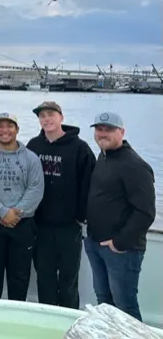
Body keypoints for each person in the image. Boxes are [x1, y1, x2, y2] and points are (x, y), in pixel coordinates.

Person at [84, 112, 156, 321]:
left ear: (121, 132)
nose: (102, 134)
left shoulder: (135, 165)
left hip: (121, 250)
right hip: (95, 243)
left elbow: (145, 212)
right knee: (104, 302)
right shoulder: (103, 156)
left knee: (125, 307)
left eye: (109, 129)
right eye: (99, 129)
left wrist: (119, 243)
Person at [26, 101, 96, 309]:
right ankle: (47, 316)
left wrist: (81, 216)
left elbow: (89, 184)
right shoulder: (33, 146)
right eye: (42, 116)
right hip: (40, 225)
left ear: (61, 118)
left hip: (69, 225)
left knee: (68, 278)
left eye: (51, 114)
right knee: (44, 276)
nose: (46, 119)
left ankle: (69, 317)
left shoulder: (80, 148)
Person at [0, 112, 44, 301]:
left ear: (17, 129)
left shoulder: (31, 158)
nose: (5, 130)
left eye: (9, 126)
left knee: (20, 276)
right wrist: (3, 212)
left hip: (23, 224)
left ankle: (17, 312)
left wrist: (16, 213)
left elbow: (35, 189)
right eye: (0, 126)